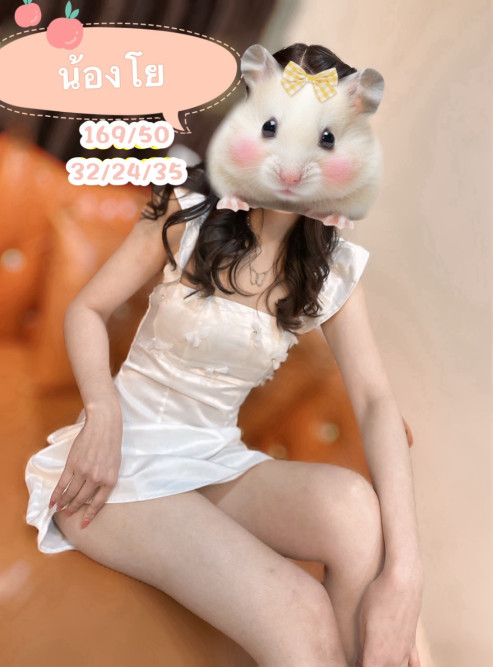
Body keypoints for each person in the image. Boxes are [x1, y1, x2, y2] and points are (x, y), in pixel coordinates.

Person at [25, 43, 424, 667]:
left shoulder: (333, 270)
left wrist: (405, 574)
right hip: (122, 464)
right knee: (297, 604)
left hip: (213, 460)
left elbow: (375, 401)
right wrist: (101, 410)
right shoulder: (187, 213)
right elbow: (87, 310)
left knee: (354, 509)